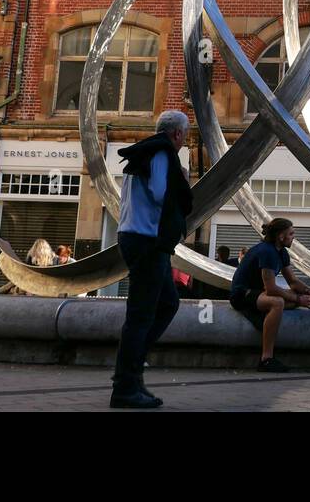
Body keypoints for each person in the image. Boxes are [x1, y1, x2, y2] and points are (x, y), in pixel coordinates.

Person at [110, 110, 194, 410]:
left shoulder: (144, 152)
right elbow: (161, 194)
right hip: (146, 242)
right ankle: (125, 384)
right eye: (186, 135)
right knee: (141, 316)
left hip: (136, 237)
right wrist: (182, 179)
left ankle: (132, 369)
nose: (185, 141)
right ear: (176, 135)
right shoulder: (161, 153)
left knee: (168, 304)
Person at [229, 217, 310, 372]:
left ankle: (271, 318)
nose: (294, 237)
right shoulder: (267, 251)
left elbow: (292, 281)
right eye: (291, 234)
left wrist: (308, 291)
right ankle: (266, 359)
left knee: (291, 297)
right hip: (242, 294)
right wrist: (298, 299)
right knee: (277, 302)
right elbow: (271, 289)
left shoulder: (282, 252)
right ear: (281, 236)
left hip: (260, 293)